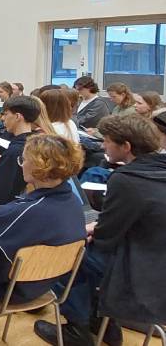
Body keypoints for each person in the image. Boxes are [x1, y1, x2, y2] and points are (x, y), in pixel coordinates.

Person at [34, 115, 166, 346]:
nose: (103, 146)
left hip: (137, 268)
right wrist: (99, 226)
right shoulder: (158, 170)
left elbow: (106, 239)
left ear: (126, 146)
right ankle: (103, 324)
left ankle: (77, 329)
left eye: (107, 141)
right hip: (157, 260)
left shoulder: (126, 180)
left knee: (67, 254)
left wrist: (87, 231)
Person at [0, 134, 86, 305]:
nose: (21, 164)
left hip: (2, 289)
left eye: (23, 160)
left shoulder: (25, 211)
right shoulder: (74, 203)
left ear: (39, 167)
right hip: (40, 286)